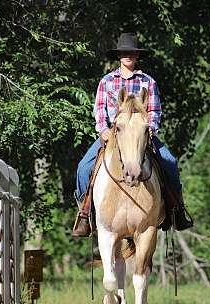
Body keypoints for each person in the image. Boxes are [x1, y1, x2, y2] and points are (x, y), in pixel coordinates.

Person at [72, 32, 192, 237]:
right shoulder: (107, 81)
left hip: (142, 134)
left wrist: (150, 127)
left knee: (170, 162)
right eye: (124, 52)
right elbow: (100, 110)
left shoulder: (148, 82)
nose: (128, 55)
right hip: (114, 134)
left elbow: (154, 110)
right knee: (84, 167)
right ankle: (85, 213)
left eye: (132, 52)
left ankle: (177, 210)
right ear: (119, 56)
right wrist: (104, 131)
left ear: (137, 55)